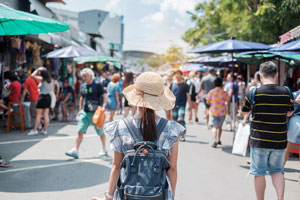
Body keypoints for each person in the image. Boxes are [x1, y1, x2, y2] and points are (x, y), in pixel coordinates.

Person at [91, 71, 185, 200]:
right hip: (158, 195)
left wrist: (108, 197)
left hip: (127, 195)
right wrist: (171, 196)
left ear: (136, 97)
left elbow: (116, 166)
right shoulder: (171, 129)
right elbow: (172, 169)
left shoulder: (120, 127)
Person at [242, 61, 294, 200]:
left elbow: (244, 110)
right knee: (277, 171)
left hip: (259, 140)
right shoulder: (286, 92)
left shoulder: (254, 92)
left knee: (259, 173)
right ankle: (280, 198)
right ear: (276, 75)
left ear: (260, 75)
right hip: (279, 139)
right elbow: (290, 112)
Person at [65, 68, 108, 159]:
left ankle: (104, 147)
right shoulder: (83, 85)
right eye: (83, 76)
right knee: (80, 131)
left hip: (96, 113)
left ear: (91, 76)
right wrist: (80, 110)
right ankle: (75, 150)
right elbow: (81, 97)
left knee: (100, 132)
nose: (84, 77)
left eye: (85, 76)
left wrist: (104, 106)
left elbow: (104, 96)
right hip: (85, 112)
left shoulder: (97, 85)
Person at [27, 67, 52, 135]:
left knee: (38, 115)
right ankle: (45, 130)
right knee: (46, 114)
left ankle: (35, 130)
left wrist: (38, 69)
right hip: (48, 97)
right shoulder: (50, 80)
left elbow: (32, 76)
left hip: (42, 97)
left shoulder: (42, 79)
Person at [206, 78, 229, 148]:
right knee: (220, 127)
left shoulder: (211, 92)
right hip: (222, 111)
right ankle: (219, 139)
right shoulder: (224, 92)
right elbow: (228, 100)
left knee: (214, 127)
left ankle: (214, 141)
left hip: (213, 111)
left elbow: (207, 101)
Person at [170, 70, 191, 141]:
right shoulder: (172, 84)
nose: (177, 75)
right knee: (174, 120)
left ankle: (182, 135)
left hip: (182, 105)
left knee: (181, 119)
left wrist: (190, 105)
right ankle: (175, 135)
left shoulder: (185, 85)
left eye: (178, 74)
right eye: (175, 74)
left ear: (181, 75)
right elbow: (169, 95)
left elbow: (188, 95)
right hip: (174, 105)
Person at [284, 78, 300, 164]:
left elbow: (288, 109)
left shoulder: (293, 94)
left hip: (294, 120)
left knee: (288, 147)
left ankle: (281, 168)